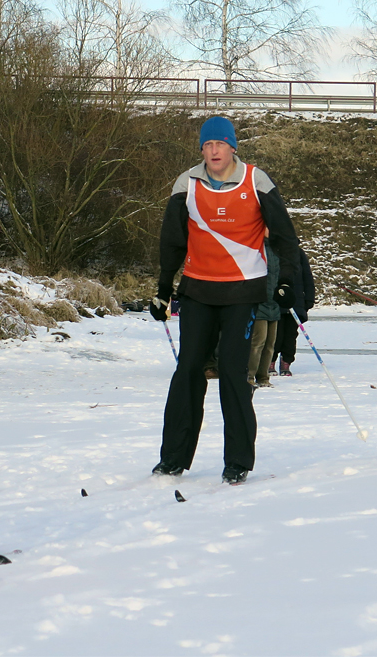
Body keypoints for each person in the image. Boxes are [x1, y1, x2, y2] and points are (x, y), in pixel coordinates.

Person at [149, 116, 300, 484]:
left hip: (242, 292)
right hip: (198, 290)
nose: (213, 150)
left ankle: (238, 460)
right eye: (207, 145)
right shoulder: (187, 183)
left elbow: (283, 234)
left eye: (220, 144)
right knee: (188, 371)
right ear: (202, 149)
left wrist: (286, 282)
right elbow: (172, 241)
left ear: (233, 147)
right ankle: (173, 457)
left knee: (233, 372)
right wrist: (163, 289)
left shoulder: (255, 180)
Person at [270, 248, 315, 376]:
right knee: (275, 335)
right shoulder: (270, 250)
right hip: (276, 300)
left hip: (295, 301)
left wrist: (309, 299)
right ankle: (270, 361)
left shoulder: (298, 253)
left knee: (290, 335)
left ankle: (286, 362)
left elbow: (307, 276)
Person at [247, 239, 281, 389]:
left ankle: (263, 376)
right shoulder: (255, 247)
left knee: (270, 343)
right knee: (258, 341)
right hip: (259, 302)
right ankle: (249, 376)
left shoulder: (276, 249)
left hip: (274, 302)